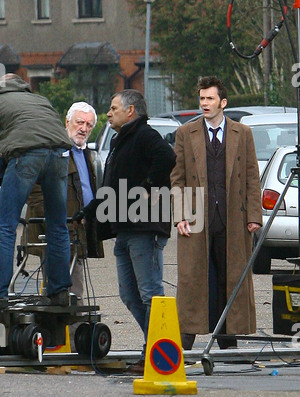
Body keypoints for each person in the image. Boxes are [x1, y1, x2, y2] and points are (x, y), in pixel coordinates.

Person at [73, 89, 176, 373]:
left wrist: (147, 187)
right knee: (129, 294)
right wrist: (90, 210)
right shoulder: (122, 141)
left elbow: (167, 158)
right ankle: (154, 346)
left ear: (131, 111)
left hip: (145, 228)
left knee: (149, 292)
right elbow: (113, 187)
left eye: (113, 107)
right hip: (125, 229)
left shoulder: (145, 135)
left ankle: (159, 354)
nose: (109, 112)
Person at [170, 76, 262, 350]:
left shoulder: (242, 134)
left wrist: (254, 215)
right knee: (194, 277)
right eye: (201, 99)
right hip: (198, 219)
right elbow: (177, 178)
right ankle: (186, 337)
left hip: (233, 219)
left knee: (230, 276)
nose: (204, 104)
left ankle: (227, 338)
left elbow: (251, 177)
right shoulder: (186, 134)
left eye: (210, 99)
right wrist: (181, 215)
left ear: (223, 102)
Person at [0, 73, 72, 308]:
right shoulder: (40, 100)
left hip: (27, 153)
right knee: (58, 225)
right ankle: (59, 290)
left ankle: (0, 293)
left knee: (5, 226)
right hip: (60, 153)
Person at [24, 101, 104, 304]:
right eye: (79, 122)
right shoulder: (50, 149)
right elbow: (34, 193)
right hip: (58, 234)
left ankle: (69, 334)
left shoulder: (86, 153)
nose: (83, 129)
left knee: (72, 292)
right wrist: (56, 223)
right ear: (67, 121)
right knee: (67, 295)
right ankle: (68, 335)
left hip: (78, 233)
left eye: (88, 125)